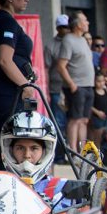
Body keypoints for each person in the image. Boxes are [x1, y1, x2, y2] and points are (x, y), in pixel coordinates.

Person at [0, 0, 34, 173]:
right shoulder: (7, 22)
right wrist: (25, 85)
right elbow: (5, 60)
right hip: (8, 93)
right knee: (8, 142)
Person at [0, 110, 74, 210]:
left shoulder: (61, 188)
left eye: (34, 148)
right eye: (20, 148)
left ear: (45, 152)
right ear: (10, 151)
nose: (27, 155)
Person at [57, 11, 95, 153]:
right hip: (77, 86)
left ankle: (82, 151)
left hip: (88, 85)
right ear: (78, 24)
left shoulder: (83, 40)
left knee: (84, 120)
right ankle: (72, 151)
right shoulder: (68, 40)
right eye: (85, 20)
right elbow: (61, 66)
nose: (87, 23)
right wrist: (72, 84)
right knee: (75, 119)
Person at [44, 14, 70, 163]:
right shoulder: (51, 45)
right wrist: (47, 89)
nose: (64, 30)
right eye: (62, 27)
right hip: (57, 89)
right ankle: (59, 157)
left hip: (72, 89)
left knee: (72, 123)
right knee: (59, 123)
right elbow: (46, 68)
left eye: (66, 27)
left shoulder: (73, 41)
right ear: (57, 28)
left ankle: (73, 154)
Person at [89, 72, 107, 148]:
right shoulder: (93, 92)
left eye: (103, 81)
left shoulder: (105, 90)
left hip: (106, 118)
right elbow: (89, 105)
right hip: (97, 118)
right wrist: (97, 112)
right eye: (98, 81)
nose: (101, 83)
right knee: (97, 138)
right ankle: (96, 154)